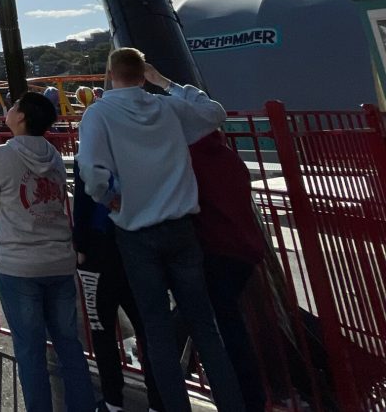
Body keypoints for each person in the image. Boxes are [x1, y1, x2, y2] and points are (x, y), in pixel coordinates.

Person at [76, 48, 245, 412]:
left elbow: (90, 169)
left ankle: (171, 405)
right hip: (182, 227)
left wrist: (107, 198)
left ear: (110, 73)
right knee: (205, 327)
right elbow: (213, 113)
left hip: (135, 231)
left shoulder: (99, 113)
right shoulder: (167, 107)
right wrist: (165, 82)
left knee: (156, 328)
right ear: (143, 72)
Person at [0, 93, 96, 412]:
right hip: (59, 260)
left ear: (22, 117)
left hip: (19, 264)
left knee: (30, 350)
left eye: (13, 106)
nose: (8, 109)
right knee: (70, 346)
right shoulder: (54, 154)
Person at [71, 159, 164, 412]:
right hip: (140, 245)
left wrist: (80, 246)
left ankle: (113, 402)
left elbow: (82, 205)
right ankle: (158, 400)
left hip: (100, 250)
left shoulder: (89, 154)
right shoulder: (139, 144)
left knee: (102, 329)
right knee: (149, 329)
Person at [188, 128, 269, 412]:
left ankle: (238, 396)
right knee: (228, 322)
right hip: (244, 251)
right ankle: (248, 395)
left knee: (220, 327)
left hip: (216, 251)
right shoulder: (230, 159)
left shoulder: (190, 159)